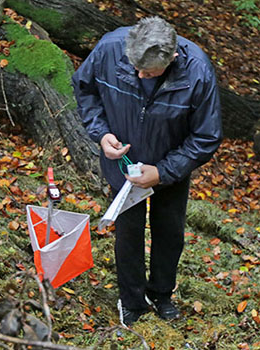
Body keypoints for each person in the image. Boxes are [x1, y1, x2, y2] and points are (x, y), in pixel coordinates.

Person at [72, 16, 222, 326]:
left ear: (173, 58)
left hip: (169, 165)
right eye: (136, 67)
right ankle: (132, 301)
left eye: (149, 72)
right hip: (124, 164)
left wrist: (164, 171)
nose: (141, 75)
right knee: (128, 234)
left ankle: (161, 293)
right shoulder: (110, 48)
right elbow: (84, 89)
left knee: (169, 232)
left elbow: (207, 136)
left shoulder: (197, 72)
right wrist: (101, 134)